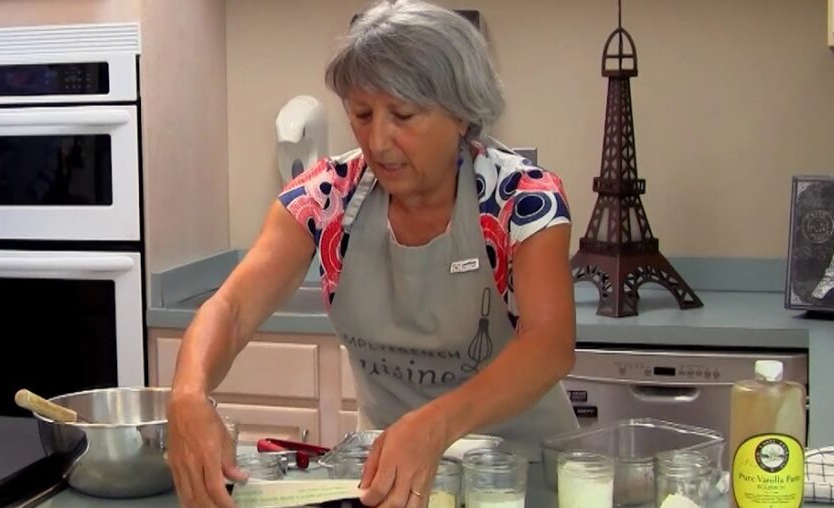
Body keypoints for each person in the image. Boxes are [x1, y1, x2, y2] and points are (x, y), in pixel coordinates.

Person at [166, 0, 579, 506]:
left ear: (462, 113)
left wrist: (435, 424)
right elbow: (230, 310)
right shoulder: (325, 199)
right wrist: (187, 394)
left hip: (521, 478)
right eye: (361, 114)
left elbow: (549, 344)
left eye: (402, 115)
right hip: (392, 483)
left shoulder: (522, 198)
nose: (378, 141)